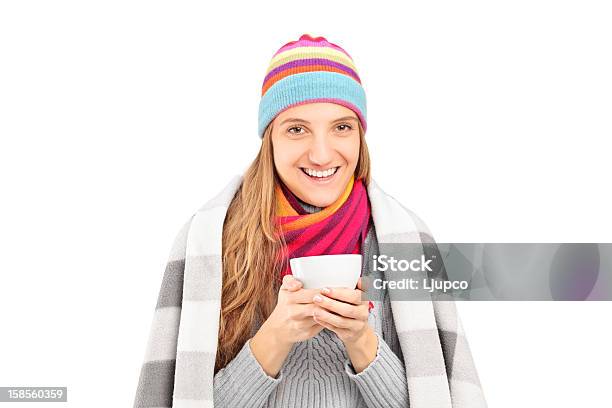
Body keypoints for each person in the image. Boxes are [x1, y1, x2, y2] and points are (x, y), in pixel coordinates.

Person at [134, 33, 486, 408]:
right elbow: (189, 400)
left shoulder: (404, 243)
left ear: (360, 136)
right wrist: (275, 337)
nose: (321, 154)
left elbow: (433, 399)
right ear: (270, 138)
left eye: (342, 127)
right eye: (297, 129)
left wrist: (361, 340)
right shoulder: (209, 242)